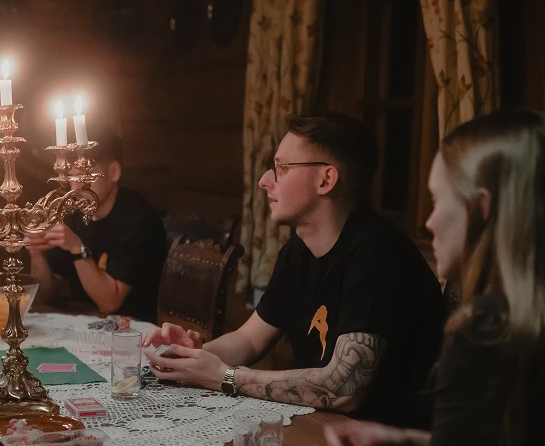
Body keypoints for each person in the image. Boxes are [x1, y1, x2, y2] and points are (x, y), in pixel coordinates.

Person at [325, 110, 545, 446]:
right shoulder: (528, 320)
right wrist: (419, 444)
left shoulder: (487, 329)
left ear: (481, 208)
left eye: (437, 201)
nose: (428, 222)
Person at [143, 113, 444, 429]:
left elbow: (344, 388)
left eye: (282, 168)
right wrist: (193, 356)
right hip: (325, 430)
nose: (265, 180)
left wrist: (224, 376)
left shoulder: (378, 253)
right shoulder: (299, 250)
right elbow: (249, 339)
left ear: (326, 180)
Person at [24, 128, 167, 323]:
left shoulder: (137, 217)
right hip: (85, 322)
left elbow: (109, 303)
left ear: (113, 172)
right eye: (71, 177)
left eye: (85, 177)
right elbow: (45, 293)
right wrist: (36, 252)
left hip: (134, 329)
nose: (75, 188)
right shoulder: (73, 212)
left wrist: (77, 248)